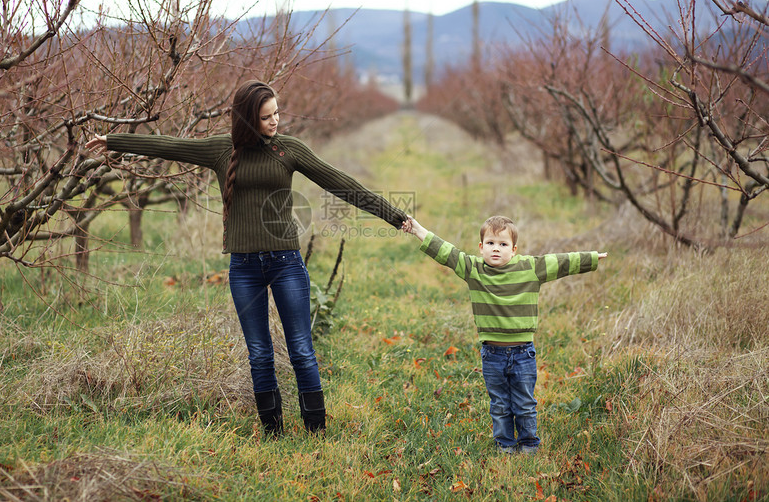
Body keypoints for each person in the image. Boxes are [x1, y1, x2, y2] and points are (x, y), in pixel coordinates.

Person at [86, 80, 407, 436]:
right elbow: (170, 146)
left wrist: (395, 216)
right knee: (259, 353)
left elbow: (341, 183)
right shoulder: (222, 151)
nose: (275, 122)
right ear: (248, 119)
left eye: (277, 114)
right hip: (244, 268)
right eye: (267, 117)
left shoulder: (289, 150)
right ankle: (273, 431)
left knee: (301, 349)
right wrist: (114, 142)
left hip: (286, 262)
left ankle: (316, 430)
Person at [402, 215, 607, 454]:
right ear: (481, 248)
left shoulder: (530, 267)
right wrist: (418, 230)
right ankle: (505, 445)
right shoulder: (474, 270)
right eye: (490, 243)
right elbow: (447, 253)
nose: (496, 249)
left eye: (503, 244)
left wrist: (592, 258)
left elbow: (560, 262)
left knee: (525, 403)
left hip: (523, 353)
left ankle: (529, 444)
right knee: (499, 403)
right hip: (492, 354)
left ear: (514, 249)